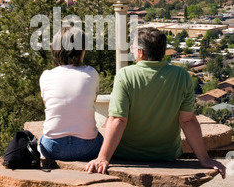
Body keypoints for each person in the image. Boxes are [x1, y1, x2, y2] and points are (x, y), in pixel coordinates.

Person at [86, 27, 226, 178]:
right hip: (166, 154)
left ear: (140, 52)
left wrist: (103, 158)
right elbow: (188, 120)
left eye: (133, 47)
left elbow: (118, 119)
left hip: (126, 155)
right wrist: (204, 159)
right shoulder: (181, 76)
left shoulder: (126, 75)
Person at [39, 26, 103, 161]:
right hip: (87, 148)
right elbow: (92, 100)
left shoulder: (46, 76)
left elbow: (48, 105)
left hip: (52, 148)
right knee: (101, 137)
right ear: (82, 51)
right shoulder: (91, 73)